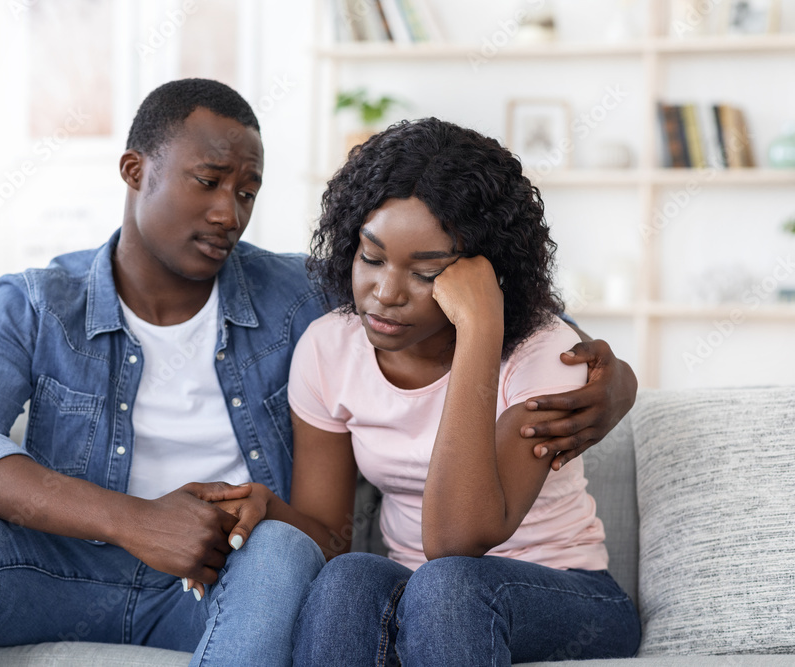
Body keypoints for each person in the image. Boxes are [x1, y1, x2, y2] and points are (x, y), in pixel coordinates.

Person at [0, 80, 635, 666]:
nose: (229, 212)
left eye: (246, 192)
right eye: (208, 181)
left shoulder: (299, 295)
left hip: (223, 580)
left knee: (284, 551)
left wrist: (614, 378)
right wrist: (131, 520)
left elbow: (478, 295)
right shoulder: (37, 303)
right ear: (135, 170)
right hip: (66, 571)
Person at [208, 118, 642, 665]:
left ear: (484, 275)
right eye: (371, 258)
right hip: (420, 593)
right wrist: (268, 507)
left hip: (566, 594)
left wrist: (479, 330)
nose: (385, 293)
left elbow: (456, 541)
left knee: (449, 585)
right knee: (347, 578)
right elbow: (332, 539)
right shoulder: (328, 348)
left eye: (426, 273)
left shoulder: (545, 353)